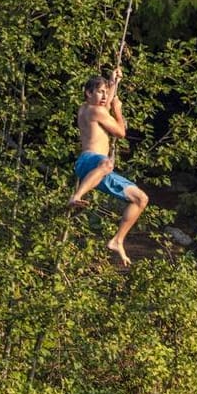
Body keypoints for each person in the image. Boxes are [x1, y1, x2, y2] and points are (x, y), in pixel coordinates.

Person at [68, 70, 149, 265]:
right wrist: (118, 109)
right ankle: (77, 196)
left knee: (141, 199)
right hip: (90, 161)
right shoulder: (95, 110)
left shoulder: (86, 109)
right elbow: (120, 132)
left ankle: (117, 241)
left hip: (96, 172)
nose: (104, 96)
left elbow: (105, 103)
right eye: (99, 92)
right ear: (88, 93)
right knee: (107, 163)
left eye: (105, 92)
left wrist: (113, 83)